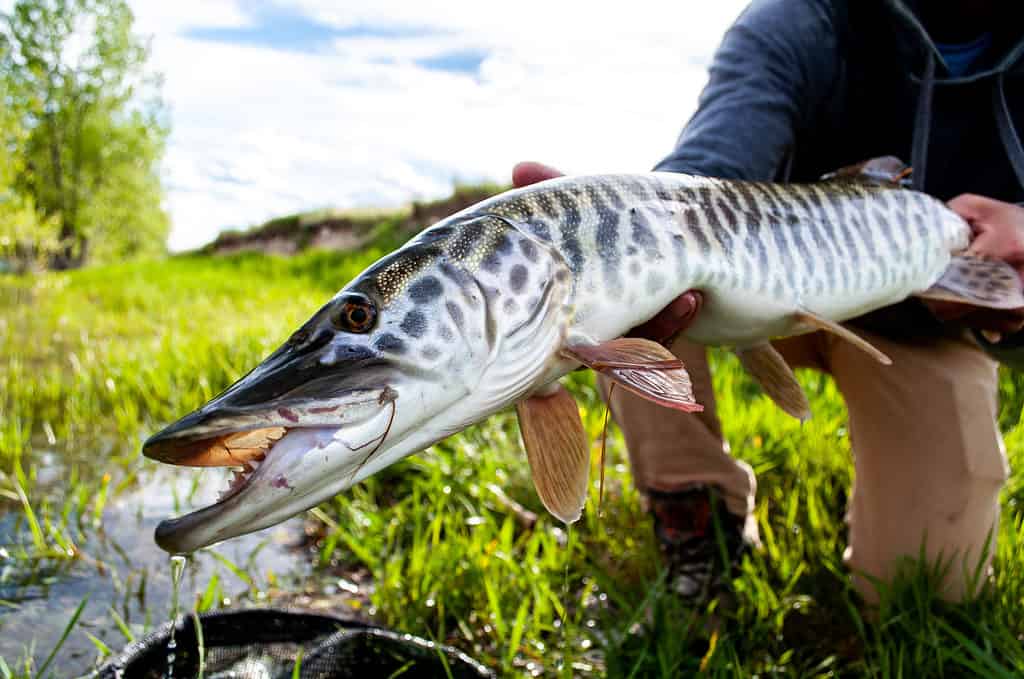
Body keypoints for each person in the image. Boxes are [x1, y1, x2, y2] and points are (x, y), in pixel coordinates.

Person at [513, 0, 1024, 603]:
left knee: (933, 588)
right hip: (753, 287)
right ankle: (701, 516)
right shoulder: (801, 22)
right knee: (634, 281)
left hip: (918, 320)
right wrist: (622, 221)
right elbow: (712, 162)